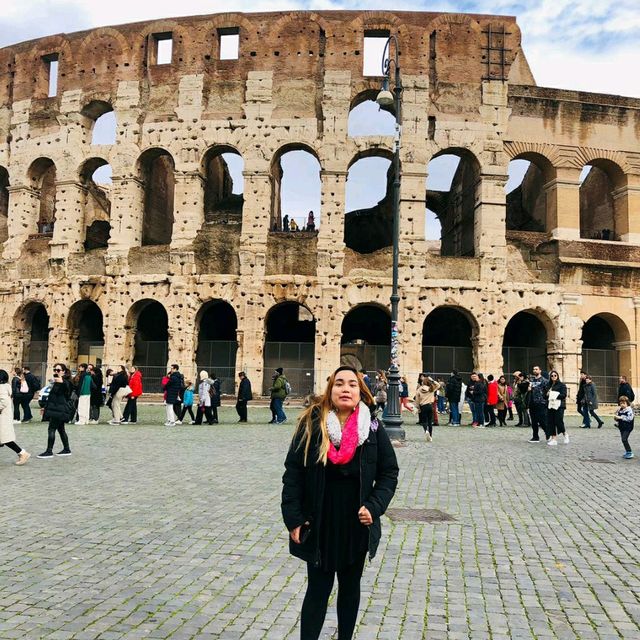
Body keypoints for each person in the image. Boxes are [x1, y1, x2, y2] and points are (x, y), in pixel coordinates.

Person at [281, 365, 399, 640]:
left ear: (361, 391)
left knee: (350, 587)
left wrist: (374, 506)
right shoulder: (312, 423)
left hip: (356, 520)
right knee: (317, 590)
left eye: (352, 384)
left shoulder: (371, 426)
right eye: (339, 384)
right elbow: (293, 473)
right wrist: (294, 518)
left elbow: (388, 472)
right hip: (319, 519)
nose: (346, 389)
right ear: (330, 390)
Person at [37, 363, 72, 459]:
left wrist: (58, 380)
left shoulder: (65, 382)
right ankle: (66, 449)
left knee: (51, 429)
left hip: (59, 409)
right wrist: (45, 407)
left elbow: (65, 390)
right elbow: (52, 397)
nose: (56, 372)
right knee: (61, 429)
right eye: (55, 370)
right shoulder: (57, 383)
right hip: (56, 409)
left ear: (64, 372)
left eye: (58, 370)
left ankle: (49, 451)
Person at [0, 369, 30, 465]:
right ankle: (22, 453)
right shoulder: (5, 387)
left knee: (6, 439)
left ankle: (23, 453)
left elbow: (3, 401)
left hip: (2, 417)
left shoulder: (1, 388)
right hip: (4, 416)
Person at [414, 374, 441, 441]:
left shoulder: (420, 389)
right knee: (430, 421)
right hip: (430, 406)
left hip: (423, 406)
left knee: (424, 421)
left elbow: (417, 399)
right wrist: (432, 380)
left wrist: (417, 407)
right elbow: (439, 385)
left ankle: (426, 431)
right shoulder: (431, 388)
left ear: (423, 382)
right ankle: (430, 436)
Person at [546, 370, 569, 446]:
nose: (553, 377)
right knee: (551, 422)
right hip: (550, 405)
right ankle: (554, 439)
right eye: (552, 376)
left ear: (557, 376)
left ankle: (565, 434)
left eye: (555, 375)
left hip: (559, 406)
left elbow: (563, 395)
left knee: (558, 421)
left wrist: (553, 394)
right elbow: (544, 395)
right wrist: (547, 394)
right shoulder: (548, 385)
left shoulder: (561, 385)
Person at [528, 365, 549, 443]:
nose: (535, 370)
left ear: (540, 371)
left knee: (542, 420)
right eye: (534, 369)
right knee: (533, 421)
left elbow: (547, 392)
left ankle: (548, 433)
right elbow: (530, 389)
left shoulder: (544, 380)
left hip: (541, 403)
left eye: (536, 369)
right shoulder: (532, 380)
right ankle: (535, 436)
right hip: (532, 402)